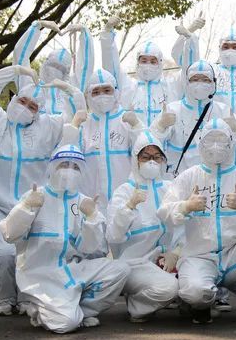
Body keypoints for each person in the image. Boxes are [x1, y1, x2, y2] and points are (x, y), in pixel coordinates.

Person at [0, 64, 84, 315]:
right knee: (3, 254)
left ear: (39, 112)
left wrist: (69, 90)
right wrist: (16, 70)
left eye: (33, 106)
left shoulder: (47, 128)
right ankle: (6, 298)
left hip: (32, 205)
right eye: (22, 101)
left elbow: (78, 115)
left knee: (28, 256)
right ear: (13, 99)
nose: (25, 108)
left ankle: (28, 297)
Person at [0, 145, 131, 333]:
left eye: (76, 167)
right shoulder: (35, 196)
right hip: (41, 276)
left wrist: (92, 218)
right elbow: (9, 235)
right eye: (64, 165)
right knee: (65, 324)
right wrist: (26, 207)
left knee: (120, 269)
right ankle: (43, 309)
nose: (69, 170)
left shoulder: (84, 202)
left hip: (73, 271)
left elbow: (90, 249)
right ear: (53, 167)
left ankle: (82, 311)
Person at [158, 119, 236, 329]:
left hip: (235, 256)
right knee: (195, 292)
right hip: (200, 255)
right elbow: (164, 212)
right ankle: (201, 304)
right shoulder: (188, 177)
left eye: (221, 139)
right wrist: (186, 206)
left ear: (231, 142)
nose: (215, 146)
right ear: (200, 142)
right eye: (210, 140)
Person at [106, 132, 181, 322]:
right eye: (146, 157)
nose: (152, 162)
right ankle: (138, 305)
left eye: (157, 157)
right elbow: (113, 236)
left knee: (196, 284)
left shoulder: (170, 188)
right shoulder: (124, 192)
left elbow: (184, 226)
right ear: (135, 160)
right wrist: (129, 207)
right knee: (169, 289)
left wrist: (177, 252)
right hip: (135, 264)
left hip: (166, 260)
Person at [151, 59, 236, 175]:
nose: (200, 84)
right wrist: (160, 127)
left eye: (205, 80)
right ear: (187, 83)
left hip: (215, 178)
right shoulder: (172, 110)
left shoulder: (224, 111)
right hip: (180, 177)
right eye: (194, 79)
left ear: (213, 83)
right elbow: (151, 145)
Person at [66, 68, 139, 204]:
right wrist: (73, 126)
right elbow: (68, 157)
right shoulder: (84, 124)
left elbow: (143, 153)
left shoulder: (127, 120)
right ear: (88, 95)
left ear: (116, 92)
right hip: (91, 201)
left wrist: (137, 127)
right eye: (96, 92)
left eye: (107, 90)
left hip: (124, 200)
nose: (101, 95)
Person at [98, 17, 178, 128]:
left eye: (152, 61)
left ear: (160, 63)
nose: (148, 65)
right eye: (144, 61)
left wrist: (188, 38)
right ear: (138, 63)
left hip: (163, 138)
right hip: (133, 138)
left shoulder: (169, 86)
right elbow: (111, 67)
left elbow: (190, 74)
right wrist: (107, 35)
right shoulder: (129, 86)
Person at [11, 20, 94, 122]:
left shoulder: (72, 91)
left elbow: (85, 67)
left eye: (60, 68)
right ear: (45, 63)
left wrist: (84, 34)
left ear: (67, 72)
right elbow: (20, 57)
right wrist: (37, 26)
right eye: (52, 64)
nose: (54, 70)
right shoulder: (30, 86)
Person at [176, 20, 236, 116]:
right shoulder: (210, 70)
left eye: (235, 47)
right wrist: (189, 35)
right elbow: (185, 63)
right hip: (215, 124)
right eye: (226, 47)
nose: (230, 50)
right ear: (219, 48)